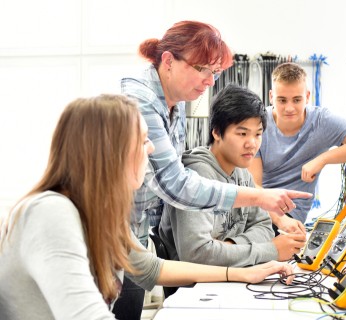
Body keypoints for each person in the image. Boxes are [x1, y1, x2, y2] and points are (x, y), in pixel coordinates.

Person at [0, 94, 295, 320]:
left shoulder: (100, 215)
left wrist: (241, 273)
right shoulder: (51, 213)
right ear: (110, 152)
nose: (152, 149)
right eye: (143, 141)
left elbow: (153, 268)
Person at [118, 21, 310, 318]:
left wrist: (236, 243)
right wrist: (262, 210)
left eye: (215, 73)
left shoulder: (176, 102)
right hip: (114, 238)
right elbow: (175, 185)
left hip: (136, 241)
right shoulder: (140, 99)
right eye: (202, 70)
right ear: (168, 62)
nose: (210, 81)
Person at [159, 84, 306, 268]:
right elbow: (196, 255)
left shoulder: (242, 172)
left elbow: (264, 227)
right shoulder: (196, 175)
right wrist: (270, 250)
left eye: (258, 134)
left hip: (234, 276)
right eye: (242, 133)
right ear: (216, 132)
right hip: (196, 288)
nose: (252, 144)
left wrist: (227, 247)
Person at [249, 62, 346, 226]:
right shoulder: (258, 125)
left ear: (307, 96)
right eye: (282, 100)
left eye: (297, 100)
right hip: (262, 210)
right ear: (271, 97)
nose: (289, 108)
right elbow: (254, 187)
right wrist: (279, 219)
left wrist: (323, 159)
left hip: (292, 215)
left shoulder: (321, 122)